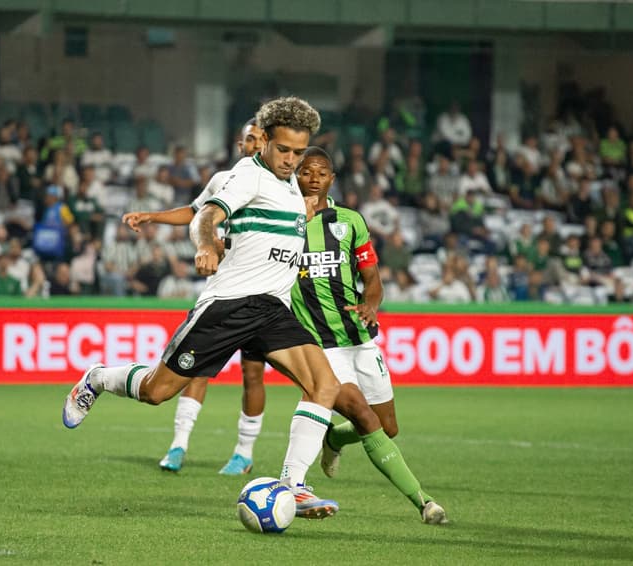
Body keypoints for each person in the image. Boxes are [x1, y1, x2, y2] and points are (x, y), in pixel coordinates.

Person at [62, 96, 341, 519]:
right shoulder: (247, 176)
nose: (290, 160)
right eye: (283, 150)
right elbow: (206, 215)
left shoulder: (290, 185)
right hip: (229, 305)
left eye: (298, 153)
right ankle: (98, 378)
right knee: (158, 392)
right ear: (263, 140)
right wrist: (208, 244)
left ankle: (294, 486)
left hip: (271, 309)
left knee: (324, 385)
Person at [293, 147, 447, 524]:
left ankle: (332, 439)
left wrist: (371, 305)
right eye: (306, 171)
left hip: (360, 338)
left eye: (322, 172)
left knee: (387, 427)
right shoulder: (283, 222)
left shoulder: (350, 222)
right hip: (319, 345)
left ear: (332, 179)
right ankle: (424, 502)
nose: (314, 178)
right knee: (363, 414)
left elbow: (373, 280)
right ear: (294, 176)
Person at [121, 117, 267, 475]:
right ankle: (178, 446)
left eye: (261, 139)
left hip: (262, 294)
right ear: (240, 145)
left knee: (253, 374)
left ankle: (243, 453)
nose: (255, 145)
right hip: (224, 289)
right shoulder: (224, 180)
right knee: (195, 371)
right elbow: (195, 212)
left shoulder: (281, 184)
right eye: (249, 139)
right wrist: (152, 216)